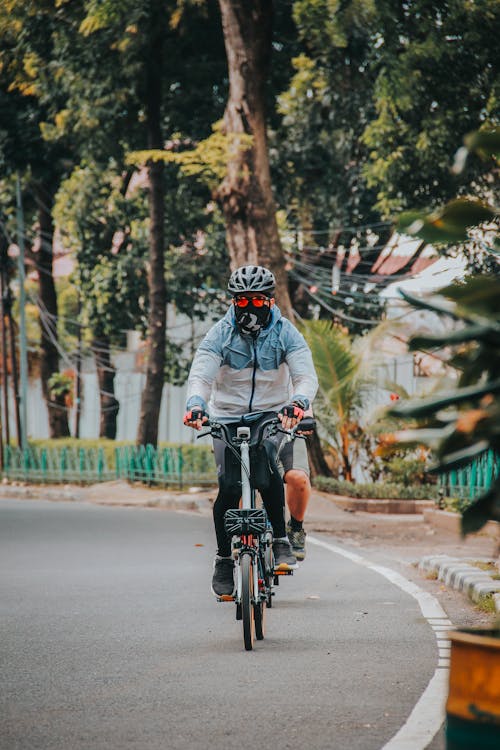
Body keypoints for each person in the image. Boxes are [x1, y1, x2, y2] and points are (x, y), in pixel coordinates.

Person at [183, 264, 318, 597]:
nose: (249, 307)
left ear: (270, 301)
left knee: (268, 471)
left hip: (270, 415)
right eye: (241, 301)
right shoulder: (219, 333)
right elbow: (201, 375)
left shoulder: (286, 332)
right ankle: (224, 560)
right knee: (228, 488)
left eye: (257, 300)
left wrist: (298, 401)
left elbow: (304, 375)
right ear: (232, 301)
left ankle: (283, 540)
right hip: (226, 417)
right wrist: (196, 404)